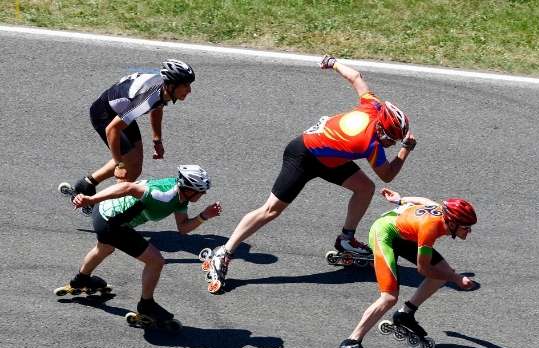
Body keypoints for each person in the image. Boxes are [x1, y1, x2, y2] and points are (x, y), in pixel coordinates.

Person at [206, 55, 416, 290]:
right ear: (380, 128)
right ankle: (224, 252)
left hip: (329, 158)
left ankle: (346, 240)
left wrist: (332, 62)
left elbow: (355, 77)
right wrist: (406, 150)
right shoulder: (370, 143)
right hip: (303, 156)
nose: (392, 144)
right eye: (391, 139)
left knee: (365, 188)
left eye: (397, 141)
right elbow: (388, 175)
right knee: (271, 210)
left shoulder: (373, 106)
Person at [57, 165, 221, 325]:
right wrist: (91, 199)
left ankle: (80, 280)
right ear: (189, 189)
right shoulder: (161, 195)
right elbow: (127, 187)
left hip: (105, 214)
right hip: (111, 223)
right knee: (156, 261)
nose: (204, 194)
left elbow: (183, 228)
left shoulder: (180, 197)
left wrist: (204, 216)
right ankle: (146, 306)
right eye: (201, 191)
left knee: (104, 248)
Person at [337, 187, 478, 348]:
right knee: (389, 297)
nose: (469, 231)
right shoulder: (431, 228)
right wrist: (456, 279)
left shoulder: (441, 212)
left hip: (403, 232)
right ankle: (351, 343)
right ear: (451, 222)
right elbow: (423, 269)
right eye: (466, 228)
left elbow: (424, 201)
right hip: (384, 234)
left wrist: (400, 199)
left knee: (442, 273)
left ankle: (405, 314)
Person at [69, 59, 196, 201]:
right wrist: (119, 165)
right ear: (172, 85)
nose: (189, 90)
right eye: (185, 85)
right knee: (127, 169)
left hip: (120, 110)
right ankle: (108, 210)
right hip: (105, 115)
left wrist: (157, 140)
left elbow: (157, 107)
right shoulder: (148, 98)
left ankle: (86, 184)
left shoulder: (163, 90)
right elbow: (112, 129)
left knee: (135, 167)